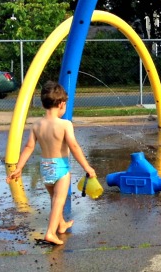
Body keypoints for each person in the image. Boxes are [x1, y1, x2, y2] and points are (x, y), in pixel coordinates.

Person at [6, 81, 96, 245]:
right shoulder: (65, 124)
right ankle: (50, 232)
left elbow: (28, 147)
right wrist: (87, 167)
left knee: (54, 199)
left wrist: (18, 167)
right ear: (62, 104)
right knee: (59, 200)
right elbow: (74, 147)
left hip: (45, 167)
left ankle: (61, 224)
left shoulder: (37, 125)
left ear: (43, 104)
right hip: (60, 167)